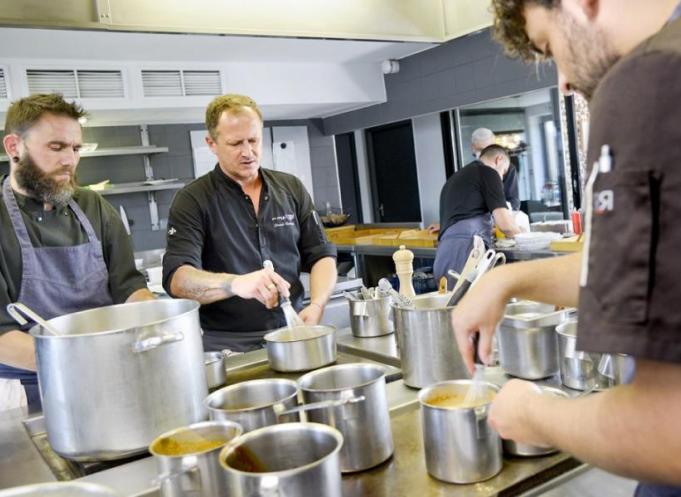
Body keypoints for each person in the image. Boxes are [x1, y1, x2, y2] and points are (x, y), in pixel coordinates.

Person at [451, 0, 681, 494]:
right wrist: (507, 278)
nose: (563, 81)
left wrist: (536, 415)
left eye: (550, 48)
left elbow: (669, 429)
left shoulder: (649, 80)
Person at [0, 94, 154, 411]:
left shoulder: (93, 206)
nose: (70, 160)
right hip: (25, 387)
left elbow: (128, 286)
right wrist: (82, 362)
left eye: (75, 148)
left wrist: (154, 324)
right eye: (56, 147)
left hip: (109, 375)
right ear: (14, 147)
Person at [163, 94, 337, 353]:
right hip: (227, 343)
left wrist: (317, 305)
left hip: (292, 330)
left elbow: (321, 254)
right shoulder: (192, 200)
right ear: (211, 143)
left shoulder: (290, 188)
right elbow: (178, 279)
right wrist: (235, 284)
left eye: (253, 140)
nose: (247, 152)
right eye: (235, 143)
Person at [433, 145, 522, 285]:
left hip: (445, 254)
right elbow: (506, 225)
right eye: (504, 171)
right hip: (466, 252)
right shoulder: (488, 173)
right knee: (473, 304)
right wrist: (525, 237)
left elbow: (463, 217)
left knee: (453, 306)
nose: (502, 177)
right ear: (499, 159)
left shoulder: (456, 177)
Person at [472, 127, 521, 211]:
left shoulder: (507, 168)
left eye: (488, 149)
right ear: (472, 147)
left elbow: (514, 201)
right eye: (480, 150)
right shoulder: (468, 170)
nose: (484, 154)